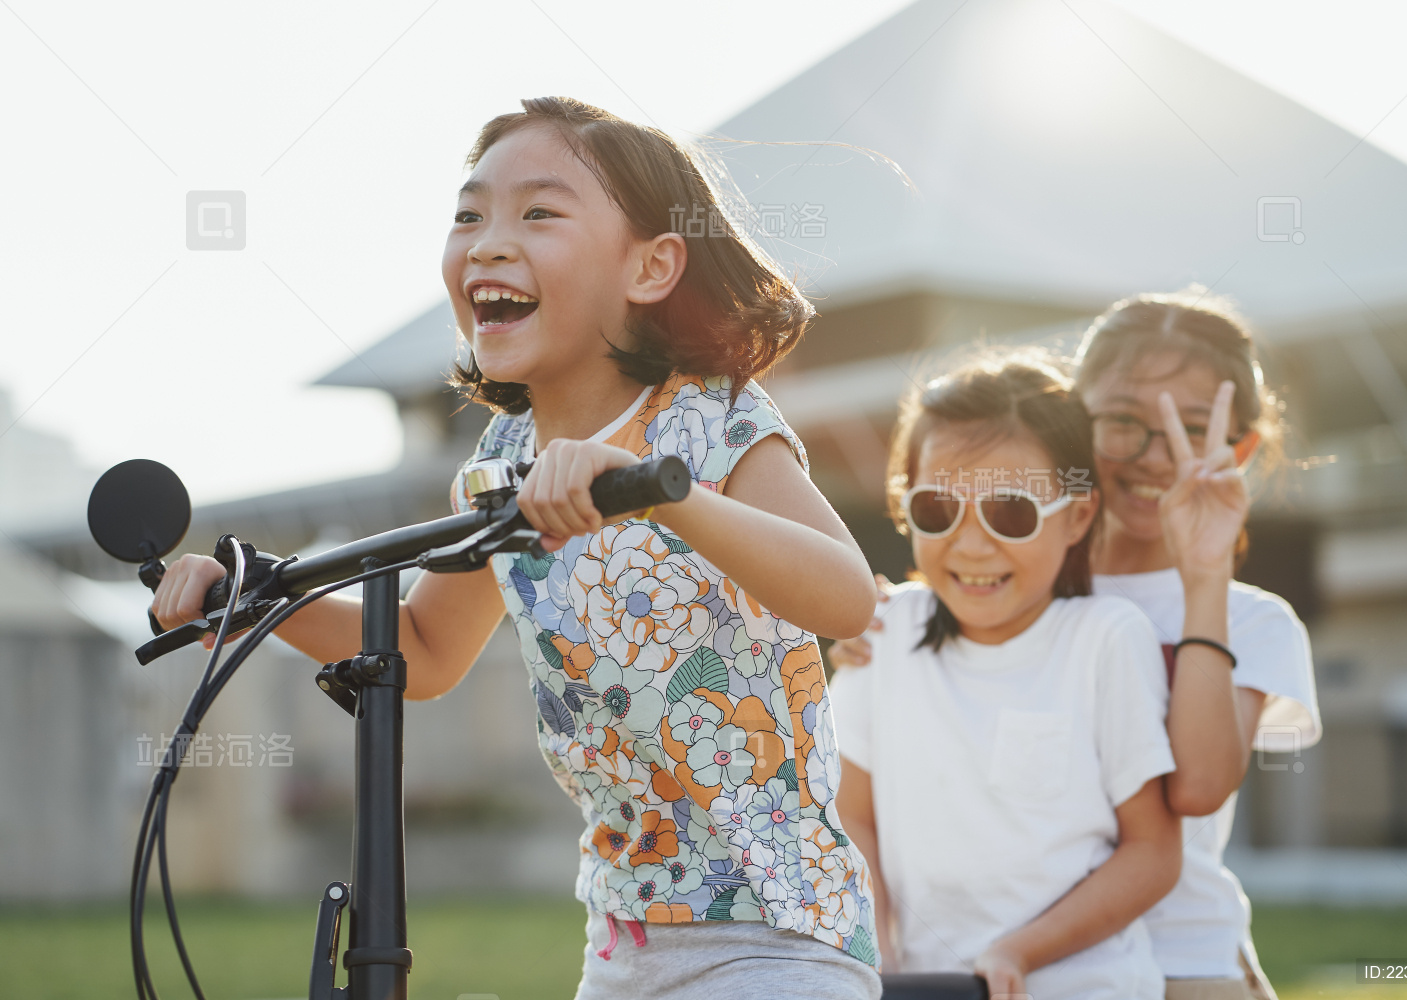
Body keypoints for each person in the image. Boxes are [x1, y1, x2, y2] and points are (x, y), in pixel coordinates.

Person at [152, 97, 884, 1000]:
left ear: (652, 266)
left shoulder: (708, 419)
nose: (489, 244)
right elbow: (422, 649)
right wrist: (257, 602)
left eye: (538, 213)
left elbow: (845, 596)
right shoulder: (499, 466)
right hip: (623, 940)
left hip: (779, 932)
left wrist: (661, 491)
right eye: (470, 216)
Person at [831, 290, 1322, 1000]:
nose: (1158, 454)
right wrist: (874, 621)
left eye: (1192, 429)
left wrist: (1204, 576)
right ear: (1077, 419)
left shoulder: (1248, 620)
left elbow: (1196, 788)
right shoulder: (1005, 579)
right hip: (985, 971)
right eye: (1123, 421)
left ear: (1239, 447)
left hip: (1184, 959)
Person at [829, 353, 1183, 1000]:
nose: (971, 544)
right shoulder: (879, 632)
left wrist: (1018, 953)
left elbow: (1154, 854)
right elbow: (852, 819)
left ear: (1077, 517)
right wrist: (875, 956)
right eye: (937, 509)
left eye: (1011, 513)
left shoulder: (1106, 640)